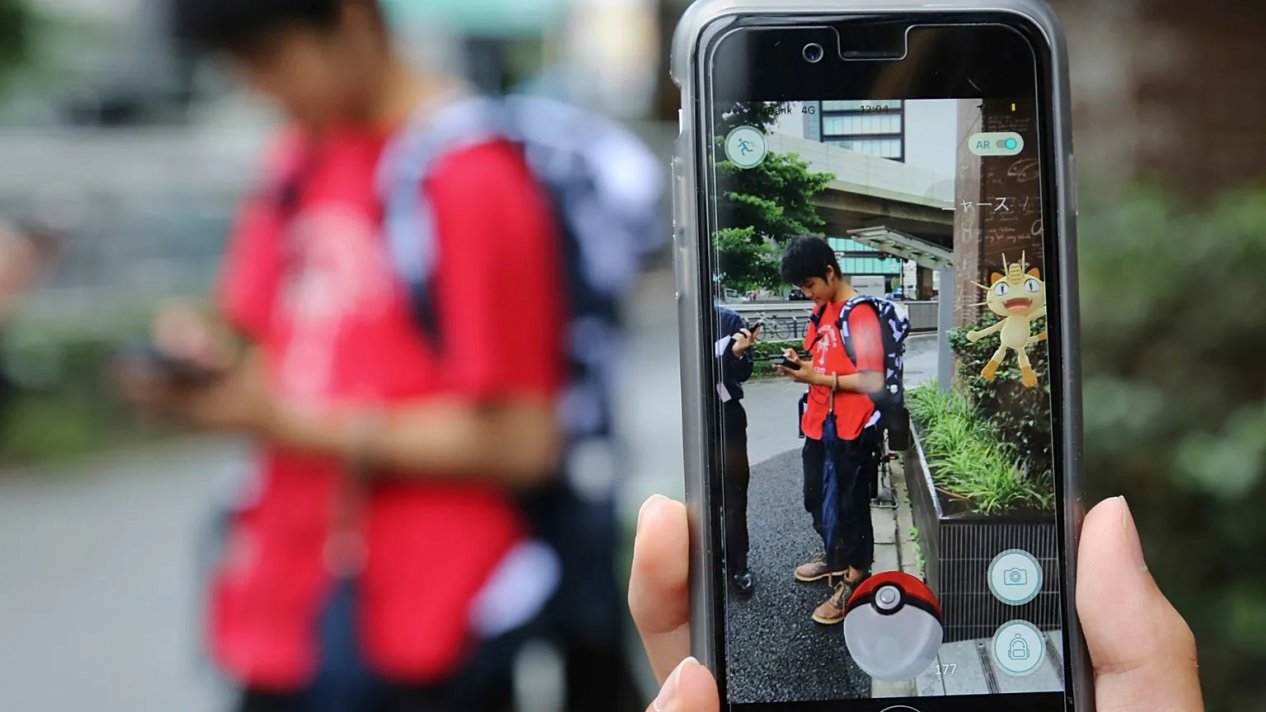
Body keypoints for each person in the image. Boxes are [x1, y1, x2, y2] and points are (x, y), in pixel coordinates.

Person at [129, 0, 567, 709]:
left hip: (423, 630)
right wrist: (204, 361)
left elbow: (524, 442)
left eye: (269, 59)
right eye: (238, 67)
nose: (259, 87)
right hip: (284, 614)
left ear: (352, 19)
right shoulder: (300, 156)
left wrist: (292, 424)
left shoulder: (471, 176)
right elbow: (258, 338)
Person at [630, 495, 1206, 712]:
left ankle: (849, 574)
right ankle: (840, 566)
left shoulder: (865, 319)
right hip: (826, 435)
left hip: (849, 438)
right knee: (824, 506)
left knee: (846, 512)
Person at [775, 235, 886, 625]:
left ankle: (856, 576)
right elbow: (818, 358)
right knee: (815, 497)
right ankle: (835, 555)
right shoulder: (821, 311)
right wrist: (799, 363)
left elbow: (873, 379)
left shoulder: (860, 314)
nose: (808, 294)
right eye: (802, 288)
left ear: (829, 271)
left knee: (851, 506)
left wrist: (818, 378)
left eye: (810, 285)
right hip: (820, 423)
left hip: (853, 428)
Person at [714, 306, 759, 596]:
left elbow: (744, 372)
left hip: (726, 415)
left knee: (733, 494)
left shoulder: (728, 320)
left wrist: (738, 354)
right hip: (685, 417)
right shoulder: (672, 318)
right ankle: (702, 562)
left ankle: (737, 565)